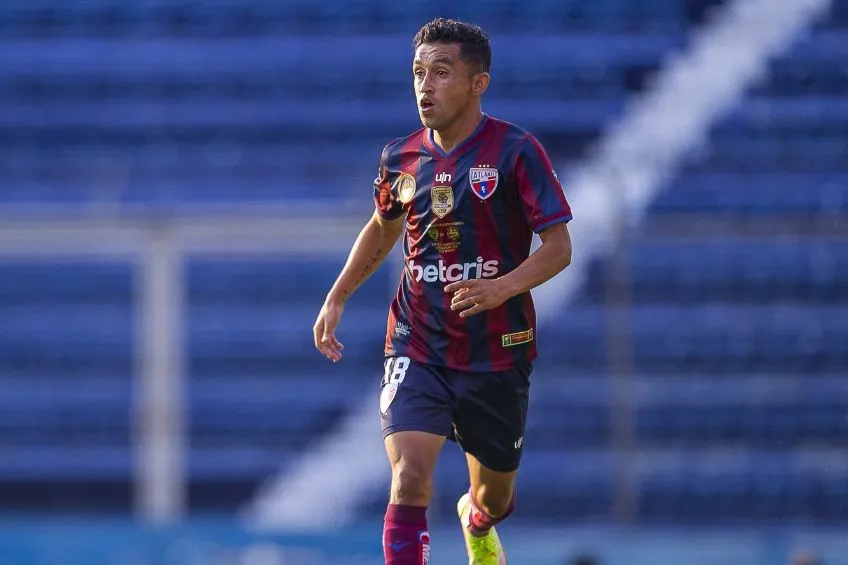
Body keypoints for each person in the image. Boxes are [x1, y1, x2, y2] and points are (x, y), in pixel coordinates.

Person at [313, 17, 573, 565]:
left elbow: (558, 247)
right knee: (408, 478)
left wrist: (501, 287)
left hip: (496, 350)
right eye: (418, 73)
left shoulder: (515, 152)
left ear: (478, 83)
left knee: (493, 497)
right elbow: (384, 224)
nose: (425, 86)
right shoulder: (400, 158)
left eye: (441, 73)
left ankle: (477, 524)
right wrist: (337, 296)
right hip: (418, 341)